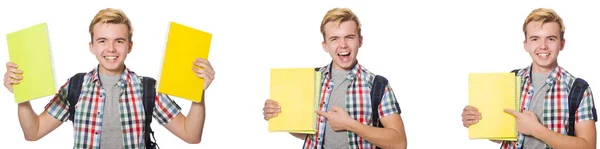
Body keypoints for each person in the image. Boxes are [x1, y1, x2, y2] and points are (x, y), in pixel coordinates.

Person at [2, 8, 214, 149]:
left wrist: (198, 92)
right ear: (92, 46)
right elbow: (33, 132)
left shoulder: (147, 89)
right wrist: (22, 94)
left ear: (129, 46)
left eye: (119, 41)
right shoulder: (76, 87)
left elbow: (191, 135)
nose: (111, 49)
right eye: (102, 41)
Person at [262, 7, 407, 149]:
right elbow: (310, 134)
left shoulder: (377, 85)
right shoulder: (310, 81)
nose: (343, 45)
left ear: (360, 41)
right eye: (334, 39)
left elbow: (399, 143)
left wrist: (350, 124)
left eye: (349, 37)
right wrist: (280, 115)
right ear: (325, 45)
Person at [461, 8, 597, 149]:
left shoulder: (578, 89)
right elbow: (500, 135)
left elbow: (588, 146)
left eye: (551, 39)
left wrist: (536, 130)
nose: (543, 46)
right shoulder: (510, 80)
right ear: (526, 44)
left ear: (561, 44)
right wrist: (477, 121)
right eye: (535, 39)